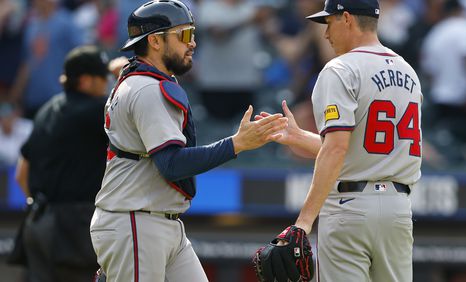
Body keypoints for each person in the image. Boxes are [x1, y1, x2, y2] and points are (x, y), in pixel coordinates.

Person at [89, 1, 288, 282]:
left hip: (158, 219)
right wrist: (237, 143)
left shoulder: (141, 77)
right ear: (155, 41)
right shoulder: (147, 88)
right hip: (134, 219)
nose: (192, 43)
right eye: (183, 35)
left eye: (193, 34)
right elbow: (171, 163)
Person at [259, 0, 422, 281]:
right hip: (397, 210)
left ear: (347, 18)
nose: (325, 33)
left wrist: (303, 222)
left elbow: (337, 148)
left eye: (329, 22)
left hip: (350, 208)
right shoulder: (408, 71)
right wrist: (301, 138)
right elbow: (359, 149)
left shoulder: (340, 69)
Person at [15, 45, 110, 282]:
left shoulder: (47, 109)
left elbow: (21, 173)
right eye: (103, 77)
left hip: (38, 222)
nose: (106, 83)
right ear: (86, 81)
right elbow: (132, 111)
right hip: (76, 228)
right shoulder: (97, 110)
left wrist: (40, 207)